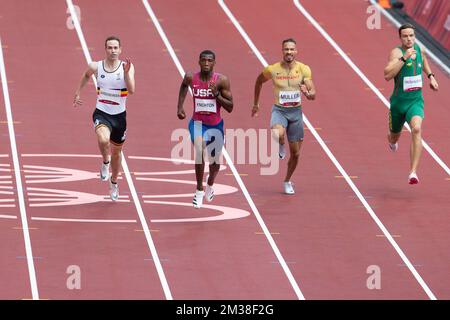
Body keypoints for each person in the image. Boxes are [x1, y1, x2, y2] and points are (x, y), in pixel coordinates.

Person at [73, 36, 135, 200]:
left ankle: (114, 182)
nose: (113, 51)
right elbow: (86, 75)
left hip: (119, 117)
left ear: (120, 50)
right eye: (110, 47)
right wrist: (78, 92)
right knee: (102, 139)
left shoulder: (126, 67)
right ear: (105, 49)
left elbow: (132, 90)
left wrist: (127, 74)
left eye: (116, 48)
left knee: (117, 153)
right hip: (102, 112)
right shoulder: (96, 66)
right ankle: (105, 162)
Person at [252, 38, 316, 195]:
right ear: (282, 51)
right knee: (277, 133)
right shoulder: (273, 69)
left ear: (296, 51)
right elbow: (258, 82)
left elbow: (313, 93)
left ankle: (287, 180)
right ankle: (281, 143)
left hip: (296, 113)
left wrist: (307, 93)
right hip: (279, 111)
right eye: (286, 49)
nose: (289, 52)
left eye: (291, 49)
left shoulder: (303, 69)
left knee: (296, 154)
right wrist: (256, 104)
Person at [177, 50, 233, 209]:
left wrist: (217, 95)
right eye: (204, 60)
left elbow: (230, 107)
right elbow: (183, 86)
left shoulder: (221, 81)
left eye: (210, 61)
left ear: (214, 63)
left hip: (215, 126)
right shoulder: (190, 77)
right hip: (197, 124)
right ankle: (199, 190)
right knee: (200, 150)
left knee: (215, 164)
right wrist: (180, 107)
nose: (206, 63)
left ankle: (210, 183)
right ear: (199, 61)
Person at [384, 23, 438, 184]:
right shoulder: (396, 52)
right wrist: (404, 57)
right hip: (398, 103)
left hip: (415, 101)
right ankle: (392, 140)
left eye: (411, 36)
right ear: (400, 38)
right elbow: (387, 75)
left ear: (415, 36)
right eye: (405, 36)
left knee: (416, 128)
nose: (409, 39)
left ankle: (413, 172)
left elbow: (425, 63)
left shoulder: (420, 50)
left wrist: (431, 77)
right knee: (394, 137)